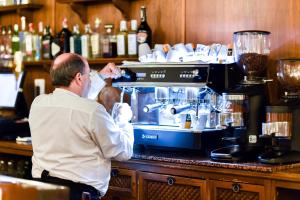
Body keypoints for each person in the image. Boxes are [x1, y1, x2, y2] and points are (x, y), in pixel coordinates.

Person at [29, 53, 134, 200]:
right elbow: (123, 152)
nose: (90, 79)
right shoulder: (92, 110)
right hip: (78, 195)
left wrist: (101, 76)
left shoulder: (38, 103)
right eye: (89, 75)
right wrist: (124, 121)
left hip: (43, 192)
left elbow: (73, 103)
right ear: (79, 78)